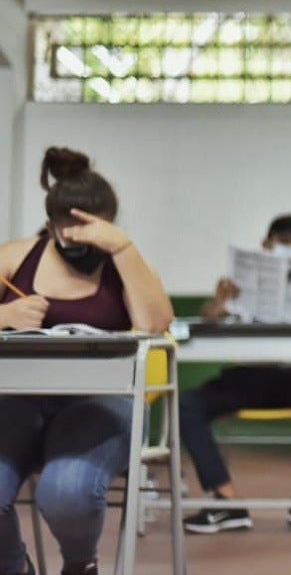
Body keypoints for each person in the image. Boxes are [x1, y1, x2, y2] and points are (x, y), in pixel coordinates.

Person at [0, 146, 173, 575]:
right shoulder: (15, 257)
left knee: (67, 492)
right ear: (51, 225)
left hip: (103, 402)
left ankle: (81, 565)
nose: (82, 244)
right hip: (16, 401)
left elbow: (155, 323)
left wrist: (124, 249)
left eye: (94, 233)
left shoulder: (125, 263)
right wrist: (3, 315)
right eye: (71, 235)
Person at [180, 214, 291, 535]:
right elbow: (208, 319)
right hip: (248, 375)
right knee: (187, 403)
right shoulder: (239, 282)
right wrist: (219, 302)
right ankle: (225, 499)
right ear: (266, 245)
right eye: (283, 242)